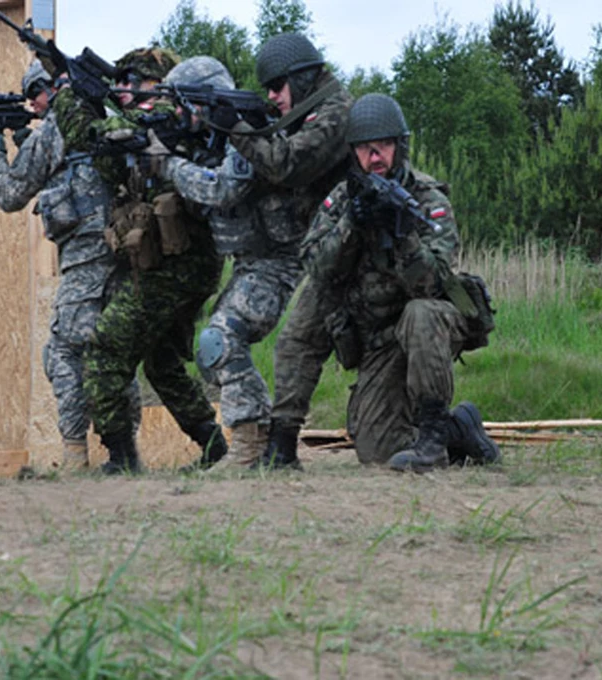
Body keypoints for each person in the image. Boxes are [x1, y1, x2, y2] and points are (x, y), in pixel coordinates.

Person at [267, 93, 500, 472]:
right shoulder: (345, 197)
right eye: (364, 149)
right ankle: (281, 439)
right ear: (352, 153)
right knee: (377, 450)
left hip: (422, 329)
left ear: (400, 146)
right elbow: (315, 265)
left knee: (421, 312)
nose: (374, 158)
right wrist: (352, 226)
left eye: (384, 147)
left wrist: (402, 234)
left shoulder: (427, 200)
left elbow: (431, 286)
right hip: (375, 339)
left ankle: (434, 437)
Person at [159, 35, 352, 468]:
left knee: (221, 339)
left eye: (278, 86)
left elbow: (225, 187)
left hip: (280, 260)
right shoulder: (224, 135)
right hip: (253, 262)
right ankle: (264, 438)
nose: (271, 96)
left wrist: (168, 163)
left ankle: (247, 450)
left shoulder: (251, 131)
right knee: (213, 356)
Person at [52, 48, 228, 474]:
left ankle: (121, 456)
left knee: (105, 349)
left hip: (174, 266)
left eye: (137, 80)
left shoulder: (166, 114)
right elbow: (110, 161)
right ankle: (215, 446)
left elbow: (91, 134)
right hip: (183, 263)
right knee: (163, 364)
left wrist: (67, 96)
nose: (127, 89)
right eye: (123, 79)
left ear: (162, 82)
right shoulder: (155, 121)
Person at [0, 59, 141, 470]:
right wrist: (25, 137)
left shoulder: (59, 124)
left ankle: (75, 457)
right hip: (125, 256)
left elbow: (8, 194)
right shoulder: (102, 115)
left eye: (33, 96)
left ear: (50, 89)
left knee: (63, 353)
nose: (33, 106)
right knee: (115, 353)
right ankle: (126, 453)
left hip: (86, 259)